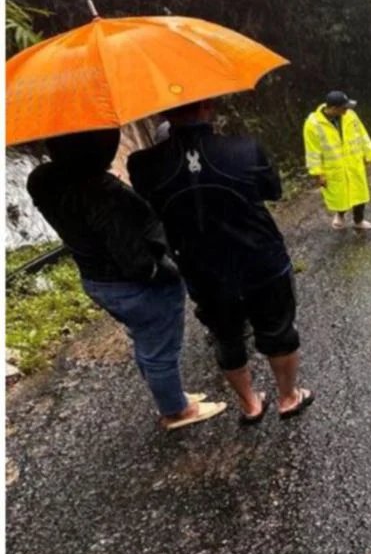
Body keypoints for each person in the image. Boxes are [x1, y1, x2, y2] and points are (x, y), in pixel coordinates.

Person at [27, 129, 227, 430]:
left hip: (97, 279)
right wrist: (168, 273)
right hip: (133, 283)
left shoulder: (43, 180)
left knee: (146, 340)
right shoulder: (103, 193)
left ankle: (171, 395)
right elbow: (134, 258)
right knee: (160, 347)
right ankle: (176, 410)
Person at [129, 99, 313, 422]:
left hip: (201, 268)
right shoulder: (244, 148)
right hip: (260, 258)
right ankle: (288, 397)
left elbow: (150, 209)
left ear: (162, 113)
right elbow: (272, 190)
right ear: (207, 107)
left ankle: (251, 405)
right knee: (279, 328)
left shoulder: (143, 164)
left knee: (226, 336)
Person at [303, 91, 371, 230]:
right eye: (344, 107)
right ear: (333, 108)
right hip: (333, 167)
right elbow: (312, 151)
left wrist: (370, 153)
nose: (347, 110)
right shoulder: (313, 124)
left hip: (353, 163)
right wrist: (317, 173)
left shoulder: (350, 115)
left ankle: (359, 220)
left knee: (359, 193)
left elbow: (362, 134)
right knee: (340, 195)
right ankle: (340, 215)